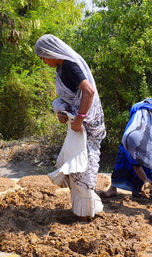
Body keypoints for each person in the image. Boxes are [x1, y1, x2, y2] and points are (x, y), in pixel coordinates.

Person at [34, 34, 106, 220]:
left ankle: (86, 214)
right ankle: (83, 211)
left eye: (43, 57)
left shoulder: (68, 65)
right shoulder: (61, 67)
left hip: (87, 124)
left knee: (83, 167)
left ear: (51, 52)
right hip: (79, 124)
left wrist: (80, 118)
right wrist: (64, 114)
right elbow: (70, 97)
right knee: (76, 165)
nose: (43, 61)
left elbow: (88, 91)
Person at [100, 98, 152, 201]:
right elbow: (135, 164)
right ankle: (113, 188)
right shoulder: (129, 140)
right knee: (122, 155)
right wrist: (146, 181)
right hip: (138, 115)